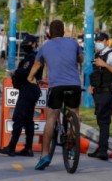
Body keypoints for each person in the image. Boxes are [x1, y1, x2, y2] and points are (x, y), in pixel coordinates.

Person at [27, 20, 83, 170]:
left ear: (49, 33)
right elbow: (81, 60)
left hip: (57, 87)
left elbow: (37, 64)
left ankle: (45, 155)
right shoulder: (73, 43)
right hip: (74, 85)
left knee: (51, 117)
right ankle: (73, 140)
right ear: (64, 31)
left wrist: (30, 78)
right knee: (74, 112)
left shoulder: (45, 47)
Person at [0, 35, 43, 157]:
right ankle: (28, 148)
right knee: (28, 120)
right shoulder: (32, 56)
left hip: (28, 89)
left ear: (34, 44)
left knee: (18, 117)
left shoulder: (32, 58)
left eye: (27, 43)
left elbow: (25, 71)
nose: (25, 45)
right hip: (31, 90)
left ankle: (11, 147)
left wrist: (15, 72)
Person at [88, 33, 112, 160]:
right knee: (100, 120)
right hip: (98, 92)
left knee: (103, 121)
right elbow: (97, 73)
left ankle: (103, 150)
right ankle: (101, 147)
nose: (98, 42)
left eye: (100, 40)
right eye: (96, 40)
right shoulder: (98, 55)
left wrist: (106, 65)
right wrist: (92, 85)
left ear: (107, 41)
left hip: (107, 92)